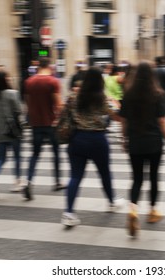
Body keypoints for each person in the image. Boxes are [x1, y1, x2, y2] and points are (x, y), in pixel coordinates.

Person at [61, 67, 124, 227]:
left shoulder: (73, 97)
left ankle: (68, 213)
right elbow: (117, 116)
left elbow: (64, 115)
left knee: (75, 176)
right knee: (104, 173)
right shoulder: (102, 98)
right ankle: (111, 202)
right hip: (97, 140)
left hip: (77, 139)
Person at [120, 61, 165, 237]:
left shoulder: (128, 95)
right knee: (153, 177)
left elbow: (124, 121)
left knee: (136, 179)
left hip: (135, 142)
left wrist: (124, 138)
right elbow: (162, 121)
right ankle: (152, 212)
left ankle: (133, 209)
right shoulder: (159, 94)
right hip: (154, 143)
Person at [24, 57, 64, 200]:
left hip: (36, 124)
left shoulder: (29, 82)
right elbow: (58, 105)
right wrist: (60, 118)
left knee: (35, 154)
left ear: (38, 66)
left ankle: (29, 182)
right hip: (51, 124)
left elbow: (28, 104)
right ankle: (57, 181)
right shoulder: (53, 81)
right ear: (49, 66)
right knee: (56, 153)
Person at [0, 71, 23, 200]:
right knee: (17, 157)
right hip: (13, 131)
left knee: (1, 158)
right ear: (5, 80)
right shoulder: (12, 93)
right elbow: (19, 110)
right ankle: (17, 182)